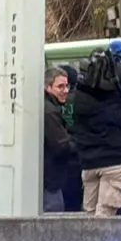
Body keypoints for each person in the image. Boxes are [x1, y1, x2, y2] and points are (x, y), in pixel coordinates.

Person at [71, 44, 121, 215]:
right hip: (114, 160)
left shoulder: (81, 94)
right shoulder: (117, 95)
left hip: (89, 161)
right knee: (104, 219)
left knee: (90, 217)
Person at [42, 66, 80, 212]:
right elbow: (61, 146)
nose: (65, 91)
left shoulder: (51, 108)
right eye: (60, 86)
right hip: (51, 180)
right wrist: (79, 143)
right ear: (48, 87)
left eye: (67, 86)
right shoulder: (50, 112)